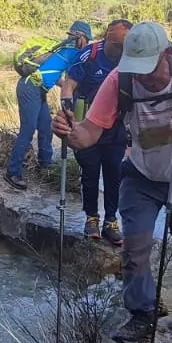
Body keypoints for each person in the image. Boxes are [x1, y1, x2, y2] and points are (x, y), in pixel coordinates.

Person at [53, 21, 172, 343]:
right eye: (135, 68)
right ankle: (142, 314)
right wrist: (69, 133)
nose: (142, 77)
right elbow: (89, 134)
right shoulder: (119, 80)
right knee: (134, 251)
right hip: (141, 175)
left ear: (167, 53)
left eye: (148, 68)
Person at [61, 19, 131, 243]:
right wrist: (67, 106)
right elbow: (69, 84)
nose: (120, 53)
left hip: (116, 127)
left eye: (124, 48)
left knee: (114, 174)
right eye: (117, 47)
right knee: (90, 174)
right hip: (86, 125)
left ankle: (111, 220)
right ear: (108, 39)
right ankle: (91, 218)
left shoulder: (131, 59)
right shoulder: (90, 54)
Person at [6, 20, 91, 190]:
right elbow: (72, 80)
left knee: (45, 126)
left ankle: (45, 164)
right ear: (81, 37)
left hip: (37, 88)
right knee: (28, 130)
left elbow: (53, 75)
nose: (87, 44)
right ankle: (12, 172)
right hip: (30, 88)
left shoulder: (61, 49)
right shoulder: (72, 53)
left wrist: (65, 85)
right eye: (87, 40)